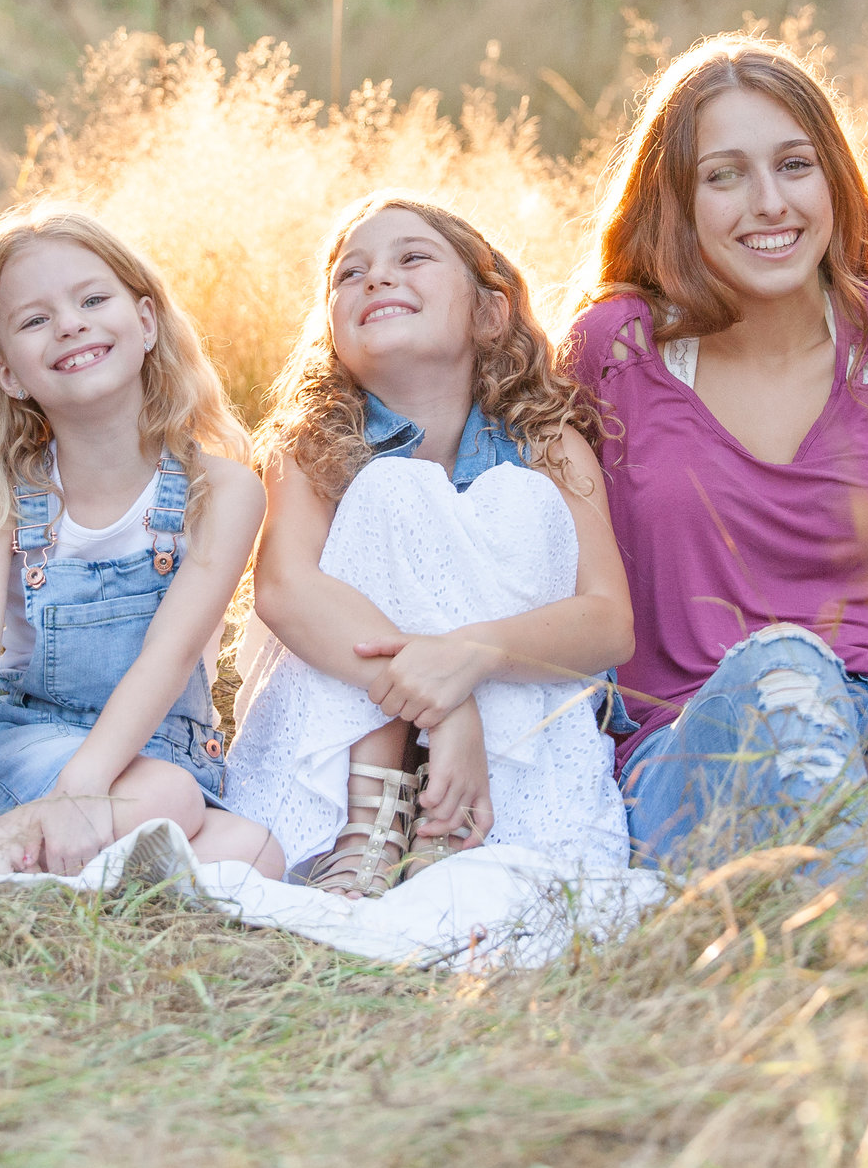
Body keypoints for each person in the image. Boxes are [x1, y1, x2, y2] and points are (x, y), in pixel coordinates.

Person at [561, 35, 868, 872]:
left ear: (833, 175)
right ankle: (860, 938)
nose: (769, 203)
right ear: (675, 202)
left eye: (794, 165)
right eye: (724, 175)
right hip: (693, 747)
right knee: (785, 662)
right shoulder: (615, 352)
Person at [227, 195, 634, 897]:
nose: (377, 278)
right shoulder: (310, 446)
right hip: (347, 741)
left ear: (489, 310)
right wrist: (445, 701)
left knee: (516, 501)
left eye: (412, 258)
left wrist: (470, 658)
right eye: (350, 274)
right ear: (331, 326)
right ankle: (370, 827)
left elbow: (608, 620)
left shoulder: (549, 444)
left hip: (517, 734)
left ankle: (462, 827)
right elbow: (287, 592)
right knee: (392, 492)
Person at [0, 205, 281, 880]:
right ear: (7, 374)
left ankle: (28, 865)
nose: (69, 323)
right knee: (166, 802)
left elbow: (168, 657)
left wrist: (85, 788)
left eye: (92, 298)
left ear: (146, 322)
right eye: (35, 319)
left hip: (160, 752)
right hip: (32, 745)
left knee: (259, 852)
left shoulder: (224, 492)